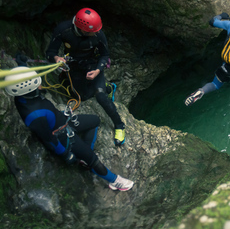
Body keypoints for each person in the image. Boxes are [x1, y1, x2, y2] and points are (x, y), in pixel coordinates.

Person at [3, 67, 134, 191]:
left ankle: (85, 153)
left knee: (95, 120)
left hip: (65, 121)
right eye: (37, 83)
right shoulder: (35, 116)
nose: (40, 84)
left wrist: (22, 64)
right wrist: (66, 154)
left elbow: (24, 84)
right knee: (93, 160)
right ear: (29, 88)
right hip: (63, 136)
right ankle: (115, 181)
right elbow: (49, 140)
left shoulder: (23, 97)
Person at [45, 8, 126, 146]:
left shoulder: (98, 34)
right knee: (82, 97)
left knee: (100, 96)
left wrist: (97, 70)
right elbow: (50, 52)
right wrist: (56, 58)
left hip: (92, 65)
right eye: (93, 31)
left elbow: (104, 55)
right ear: (82, 29)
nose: (97, 32)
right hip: (74, 66)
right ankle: (108, 88)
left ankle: (119, 125)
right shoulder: (63, 30)